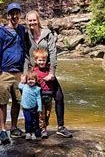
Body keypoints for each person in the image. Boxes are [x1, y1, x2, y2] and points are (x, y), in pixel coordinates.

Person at [24, 10, 73, 138]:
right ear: (27, 22)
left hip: (47, 71)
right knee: (35, 101)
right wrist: (25, 74)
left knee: (59, 97)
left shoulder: (47, 34)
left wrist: (52, 72)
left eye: (34, 20)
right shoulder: (26, 35)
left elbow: (53, 53)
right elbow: (25, 56)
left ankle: (60, 127)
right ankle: (37, 128)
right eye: (30, 21)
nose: (32, 23)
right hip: (33, 73)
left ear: (38, 20)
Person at [0, 2, 26, 144]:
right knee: (2, 102)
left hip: (18, 73)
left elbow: (26, 49)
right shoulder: (1, 32)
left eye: (17, 13)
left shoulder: (22, 30)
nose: (14, 16)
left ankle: (13, 127)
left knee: (17, 101)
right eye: (12, 13)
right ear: (8, 15)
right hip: (5, 72)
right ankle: (2, 130)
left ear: (19, 15)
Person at [32, 47, 53, 139]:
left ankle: (45, 125)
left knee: (48, 113)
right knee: (41, 113)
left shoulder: (49, 69)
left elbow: (53, 77)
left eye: (43, 60)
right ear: (35, 60)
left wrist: (52, 77)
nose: (42, 62)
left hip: (49, 94)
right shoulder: (34, 71)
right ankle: (42, 129)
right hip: (40, 96)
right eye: (40, 60)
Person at [18, 71, 42, 140]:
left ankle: (34, 133)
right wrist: (22, 80)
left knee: (34, 120)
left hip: (34, 107)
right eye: (28, 79)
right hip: (25, 108)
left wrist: (39, 107)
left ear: (36, 80)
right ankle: (28, 132)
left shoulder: (37, 89)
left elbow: (38, 98)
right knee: (28, 120)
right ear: (26, 80)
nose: (30, 81)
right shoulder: (24, 86)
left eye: (32, 79)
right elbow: (19, 86)